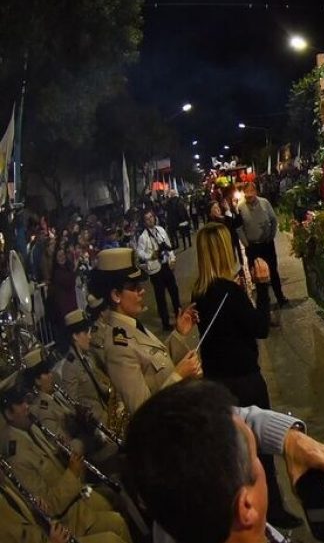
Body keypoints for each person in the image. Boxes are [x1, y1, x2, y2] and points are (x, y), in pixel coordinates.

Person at [122, 380, 324, 543]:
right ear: (246, 506)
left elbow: (230, 419)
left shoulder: (173, 508)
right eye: (254, 456)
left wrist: (290, 440)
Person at [191, 222, 299, 528]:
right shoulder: (229, 292)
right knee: (260, 450)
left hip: (217, 384)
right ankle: (272, 510)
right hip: (245, 381)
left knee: (235, 451)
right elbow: (260, 328)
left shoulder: (199, 291)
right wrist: (263, 287)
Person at [0, 386, 132, 542]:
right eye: (20, 404)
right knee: (116, 526)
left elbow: (55, 468)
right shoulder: (16, 456)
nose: (26, 406)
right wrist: (72, 471)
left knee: (114, 503)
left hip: (79, 494)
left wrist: (65, 456)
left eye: (24, 400)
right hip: (69, 518)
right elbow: (50, 506)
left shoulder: (31, 428)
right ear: (8, 414)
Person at [88, 247, 201, 414]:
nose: (142, 291)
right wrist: (178, 377)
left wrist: (178, 333)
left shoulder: (129, 326)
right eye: (134, 287)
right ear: (116, 295)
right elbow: (142, 411)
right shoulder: (118, 346)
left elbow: (154, 364)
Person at [237, 183, 288, 307]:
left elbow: (273, 220)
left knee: (273, 271)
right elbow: (239, 228)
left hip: (267, 244)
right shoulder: (240, 207)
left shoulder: (264, 203)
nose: (249, 195)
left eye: (251, 192)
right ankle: (264, 303)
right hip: (253, 247)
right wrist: (246, 243)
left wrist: (271, 236)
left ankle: (280, 297)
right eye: (246, 192)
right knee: (257, 276)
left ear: (255, 192)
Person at [135, 209, 181, 331]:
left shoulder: (160, 230)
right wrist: (150, 256)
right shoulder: (143, 237)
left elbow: (168, 245)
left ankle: (179, 313)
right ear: (144, 222)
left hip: (166, 265)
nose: (150, 220)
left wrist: (172, 259)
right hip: (155, 270)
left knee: (174, 291)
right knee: (160, 297)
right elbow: (139, 253)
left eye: (151, 217)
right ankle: (166, 323)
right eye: (147, 218)